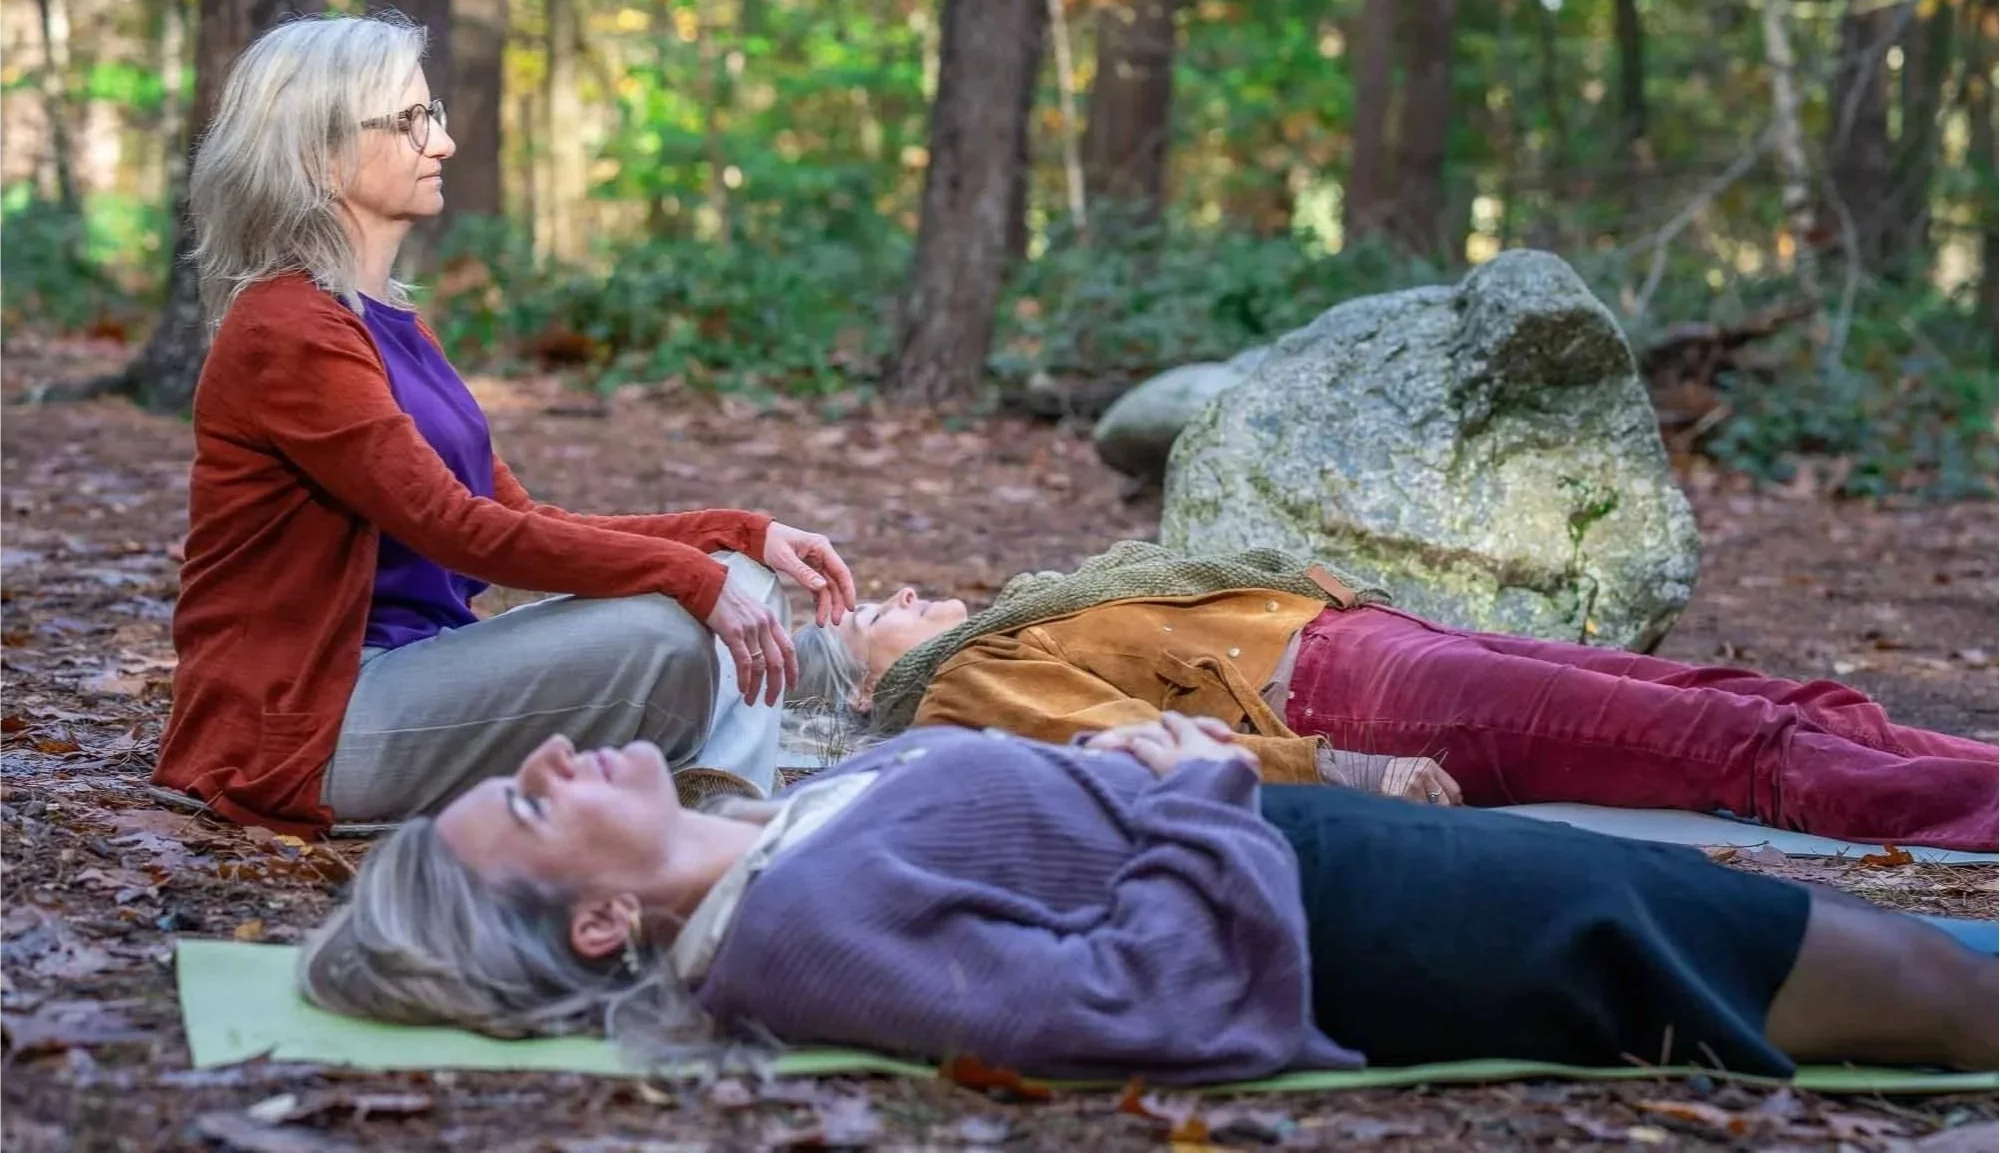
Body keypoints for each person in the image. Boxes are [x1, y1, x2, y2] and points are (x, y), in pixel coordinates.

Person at [296, 719, 1998, 1082]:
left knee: (1906, 955)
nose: (557, 751)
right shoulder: (796, 938)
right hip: (1384, 926)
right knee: (1922, 993)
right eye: (537, 801)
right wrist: (1188, 789)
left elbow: (1043, 848)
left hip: (1348, 856)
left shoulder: (778, 840)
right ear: (599, 926)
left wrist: (1122, 766)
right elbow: (1145, 1002)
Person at [152, 13, 857, 837]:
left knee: (743, 574)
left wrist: (737, 532)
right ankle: (729, 844)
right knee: (668, 628)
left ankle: (720, 825)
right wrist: (689, 577)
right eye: (410, 122)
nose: (443, 142)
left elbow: (518, 519)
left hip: (411, 678)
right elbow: (457, 529)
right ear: (320, 153)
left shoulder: (388, 326)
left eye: (433, 114)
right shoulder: (288, 328)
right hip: (308, 725)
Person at [790, 542, 1997, 851]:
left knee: (1754, 698)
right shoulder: (957, 682)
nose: (901, 591)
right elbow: (1131, 741)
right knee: (1725, 740)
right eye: (869, 611)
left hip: (1374, 642)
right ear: (865, 679)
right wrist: (1339, 771)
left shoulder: (1011, 614)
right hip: (1353, 697)